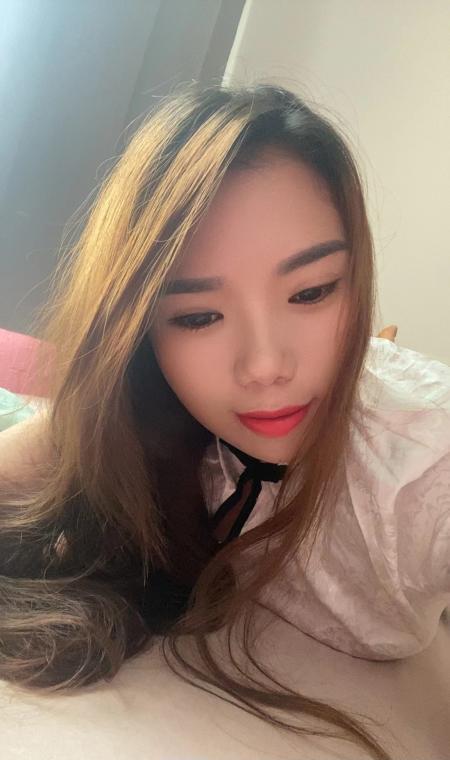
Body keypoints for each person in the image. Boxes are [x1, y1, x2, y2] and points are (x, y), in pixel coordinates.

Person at [0, 82, 449, 760]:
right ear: (142, 333)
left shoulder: (423, 465)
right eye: (198, 316)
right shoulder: (137, 411)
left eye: (312, 291)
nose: (265, 366)